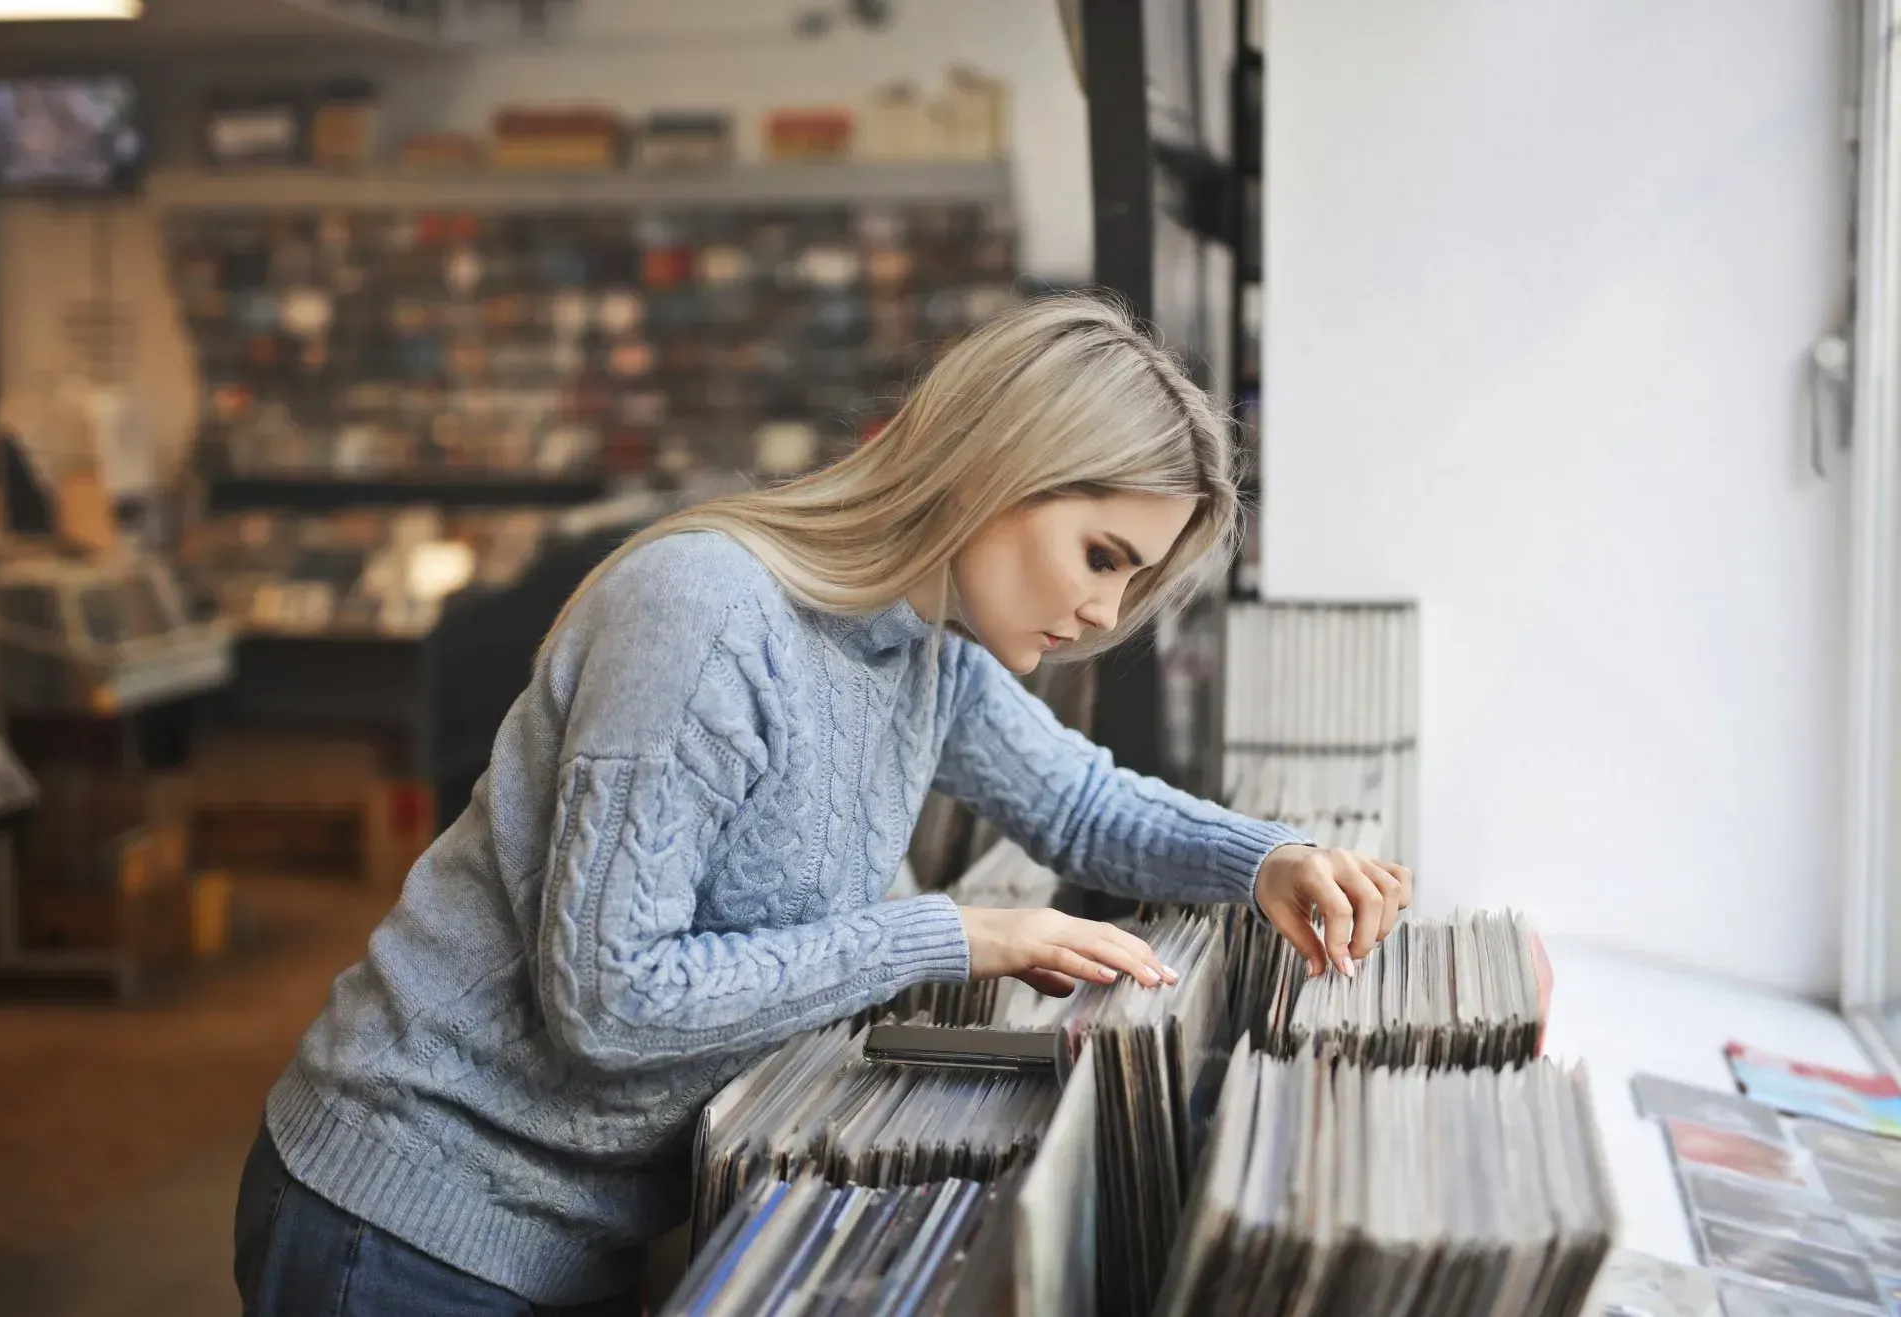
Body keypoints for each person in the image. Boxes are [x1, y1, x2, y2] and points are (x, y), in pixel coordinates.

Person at [234, 294, 1412, 1316]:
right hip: (400, 1219)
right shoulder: (707, 614)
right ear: (1001, 467)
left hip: (577, 1230)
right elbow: (610, 1000)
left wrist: (1272, 861)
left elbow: (1085, 808)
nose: (1109, 612)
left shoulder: (928, 653)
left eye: (1138, 580)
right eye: (1103, 556)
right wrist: (948, 933)